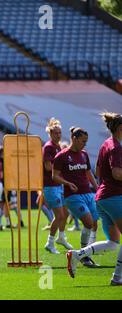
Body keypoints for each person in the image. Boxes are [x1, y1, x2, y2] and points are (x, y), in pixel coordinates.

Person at [66, 112, 122, 284]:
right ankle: (117, 278)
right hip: (114, 196)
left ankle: (77, 254)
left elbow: (98, 172)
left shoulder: (106, 144)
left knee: (113, 242)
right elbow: (117, 173)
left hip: (102, 198)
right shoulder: (116, 147)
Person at [52, 126, 99, 267]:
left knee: (94, 224)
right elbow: (54, 176)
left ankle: (87, 253)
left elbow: (89, 173)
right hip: (72, 196)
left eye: (86, 142)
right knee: (89, 223)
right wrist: (67, 183)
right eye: (83, 141)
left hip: (88, 193)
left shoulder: (84, 154)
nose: (84, 144)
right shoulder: (61, 156)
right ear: (74, 138)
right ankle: (83, 256)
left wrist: (97, 188)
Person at [42, 118, 73, 254]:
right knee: (59, 215)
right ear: (50, 134)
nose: (58, 135)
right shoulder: (48, 147)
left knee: (65, 213)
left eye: (60, 133)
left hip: (58, 184)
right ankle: (50, 242)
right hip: (50, 185)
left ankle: (61, 237)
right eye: (56, 133)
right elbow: (48, 167)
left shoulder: (57, 146)